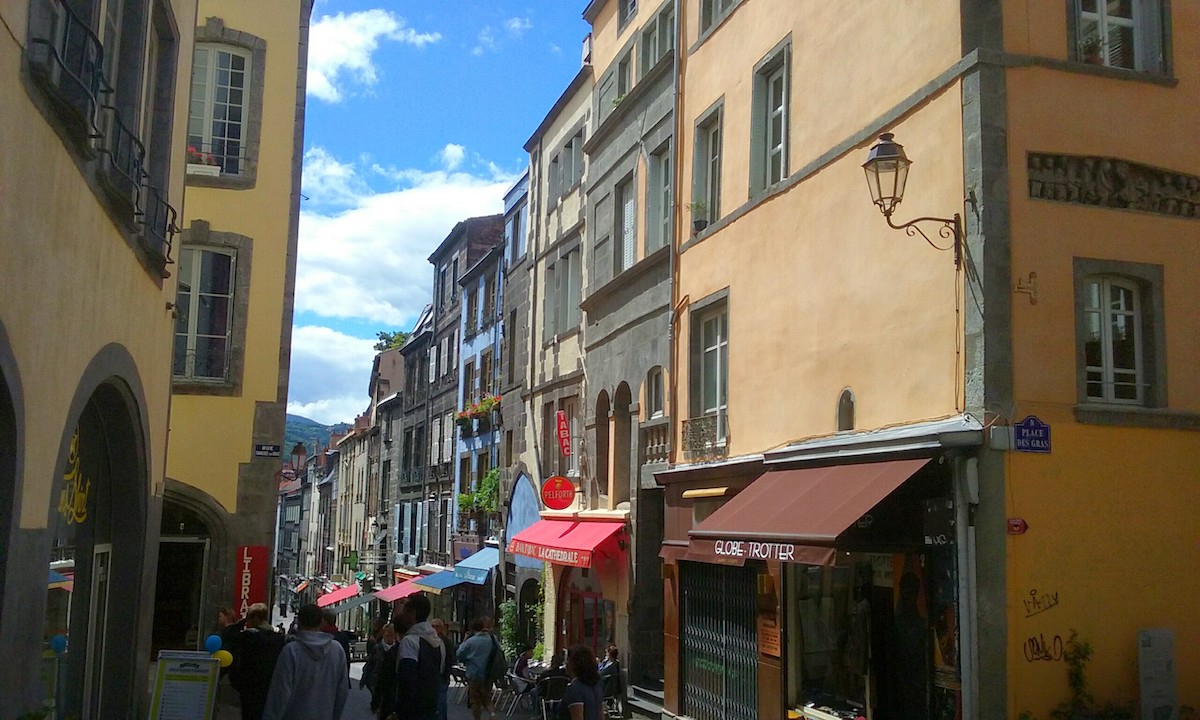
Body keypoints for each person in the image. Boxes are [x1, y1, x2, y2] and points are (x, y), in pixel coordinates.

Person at [261, 603, 348, 720]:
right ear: (321, 622)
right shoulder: (337, 650)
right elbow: (342, 691)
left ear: (299, 622)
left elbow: (280, 693)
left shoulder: (291, 651)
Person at [394, 593, 447, 720]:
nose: (400, 614)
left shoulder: (410, 642)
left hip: (411, 712)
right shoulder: (439, 643)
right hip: (431, 709)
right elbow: (440, 674)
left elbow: (406, 680)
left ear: (412, 614)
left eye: (404, 609)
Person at [229, 603, 286, 720]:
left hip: (249, 687)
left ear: (255, 618)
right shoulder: (278, 638)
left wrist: (241, 622)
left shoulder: (248, 637)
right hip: (270, 686)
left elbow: (229, 635)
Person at [454, 617, 501, 720]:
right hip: (488, 674)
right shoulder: (492, 639)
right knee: (487, 697)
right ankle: (492, 714)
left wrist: (464, 640)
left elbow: (459, 654)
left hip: (474, 674)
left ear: (472, 629)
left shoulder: (471, 641)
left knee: (475, 700)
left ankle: (477, 718)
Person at [558, 645, 605, 720]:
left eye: (567, 660)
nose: (565, 664)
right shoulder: (597, 686)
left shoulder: (574, 689)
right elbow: (601, 715)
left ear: (574, 664)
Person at [361, 623, 396, 704]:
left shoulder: (397, 649)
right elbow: (369, 665)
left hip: (391, 683)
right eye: (387, 635)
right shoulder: (377, 648)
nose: (389, 638)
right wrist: (364, 679)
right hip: (377, 681)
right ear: (383, 635)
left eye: (392, 635)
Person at [430, 618, 457, 720]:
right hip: (430, 678)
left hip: (442, 676)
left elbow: (451, 658)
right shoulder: (426, 640)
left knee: (441, 702)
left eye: (437, 626)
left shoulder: (446, 642)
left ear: (442, 628)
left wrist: (447, 674)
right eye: (432, 626)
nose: (434, 629)